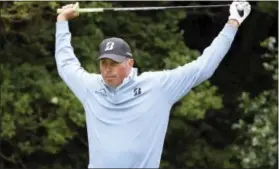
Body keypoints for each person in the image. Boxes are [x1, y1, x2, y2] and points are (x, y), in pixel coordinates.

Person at [55, 0, 251, 168]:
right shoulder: (91, 87)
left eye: (114, 63)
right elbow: (66, 64)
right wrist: (62, 22)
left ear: (129, 63)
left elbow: (203, 68)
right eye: (104, 63)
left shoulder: (157, 87)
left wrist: (233, 22)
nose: (107, 69)